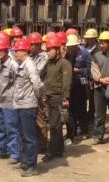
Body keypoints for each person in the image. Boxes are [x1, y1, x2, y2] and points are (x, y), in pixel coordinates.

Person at [13, 37, 43, 177]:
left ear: (24, 51)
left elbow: (37, 84)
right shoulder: (22, 64)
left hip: (28, 105)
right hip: (20, 104)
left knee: (29, 137)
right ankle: (25, 161)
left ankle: (32, 166)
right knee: (23, 135)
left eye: (17, 51)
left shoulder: (30, 65)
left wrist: (36, 98)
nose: (15, 53)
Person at [41, 34, 72, 162]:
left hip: (58, 98)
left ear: (58, 50)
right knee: (56, 125)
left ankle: (51, 151)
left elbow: (66, 82)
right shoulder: (49, 63)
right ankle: (59, 149)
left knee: (54, 126)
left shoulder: (65, 64)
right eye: (47, 50)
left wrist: (65, 98)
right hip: (49, 97)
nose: (48, 52)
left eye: (50, 50)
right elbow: (42, 75)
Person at [0, 35, 20, 163]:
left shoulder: (13, 64)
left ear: (7, 50)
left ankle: (15, 154)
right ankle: (1, 150)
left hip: (9, 102)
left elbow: (18, 83)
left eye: (0, 50)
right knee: (0, 128)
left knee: (11, 128)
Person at [91, 30, 109, 145]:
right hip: (99, 88)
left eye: (103, 43)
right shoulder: (96, 56)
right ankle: (98, 136)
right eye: (100, 43)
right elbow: (93, 69)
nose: (101, 45)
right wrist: (100, 79)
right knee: (99, 114)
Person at [65, 33, 91, 144]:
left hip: (81, 84)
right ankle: (72, 132)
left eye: (72, 47)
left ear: (76, 45)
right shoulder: (66, 54)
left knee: (81, 109)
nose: (70, 49)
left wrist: (79, 70)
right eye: (69, 47)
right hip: (70, 85)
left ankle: (84, 131)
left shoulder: (85, 53)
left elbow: (89, 70)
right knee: (70, 110)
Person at [31, 31, 50, 153]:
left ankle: (43, 144)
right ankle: (36, 142)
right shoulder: (31, 56)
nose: (29, 47)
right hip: (32, 90)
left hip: (41, 91)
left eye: (32, 45)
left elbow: (36, 71)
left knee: (40, 118)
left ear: (38, 45)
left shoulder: (44, 57)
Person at [83, 28, 99, 130]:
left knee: (93, 99)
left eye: (89, 38)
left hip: (93, 76)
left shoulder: (98, 49)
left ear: (94, 38)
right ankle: (85, 117)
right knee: (85, 96)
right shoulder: (84, 47)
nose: (86, 39)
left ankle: (92, 117)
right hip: (85, 75)